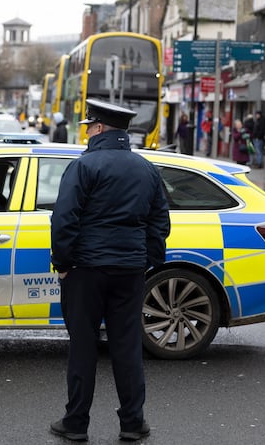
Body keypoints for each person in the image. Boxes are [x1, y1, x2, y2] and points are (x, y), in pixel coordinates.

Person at [49, 99, 170, 443]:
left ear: (99, 128)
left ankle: (76, 424)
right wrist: (147, 259)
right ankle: (132, 423)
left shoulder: (84, 166)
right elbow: (160, 220)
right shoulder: (146, 168)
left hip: (86, 270)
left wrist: (64, 263)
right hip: (130, 270)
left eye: (89, 126)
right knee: (127, 346)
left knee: (83, 346)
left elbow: (64, 220)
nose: (87, 131)